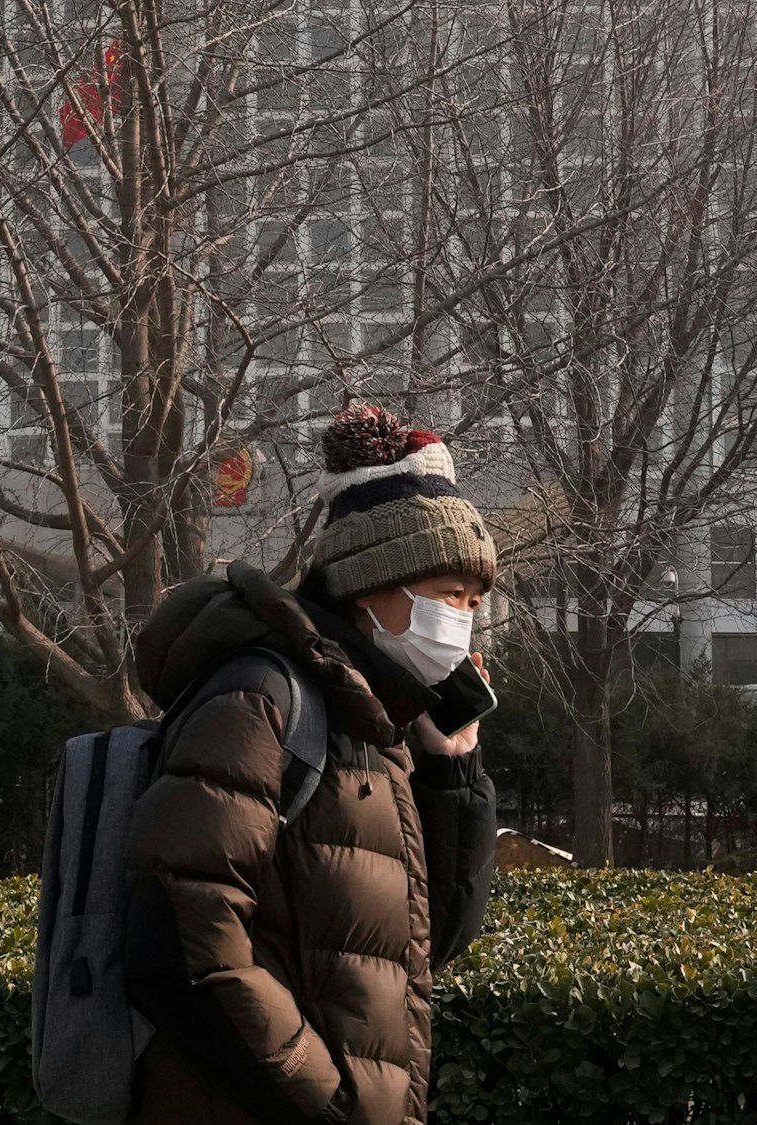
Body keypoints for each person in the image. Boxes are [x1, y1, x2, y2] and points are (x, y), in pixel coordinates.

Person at [124, 404, 500, 1125]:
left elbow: (425, 945)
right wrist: (325, 1098)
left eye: (476, 600)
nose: (466, 617)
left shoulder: (375, 727)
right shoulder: (264, 698)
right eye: (453, 593)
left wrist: (453, 770)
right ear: (371, 581)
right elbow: (177, 936)